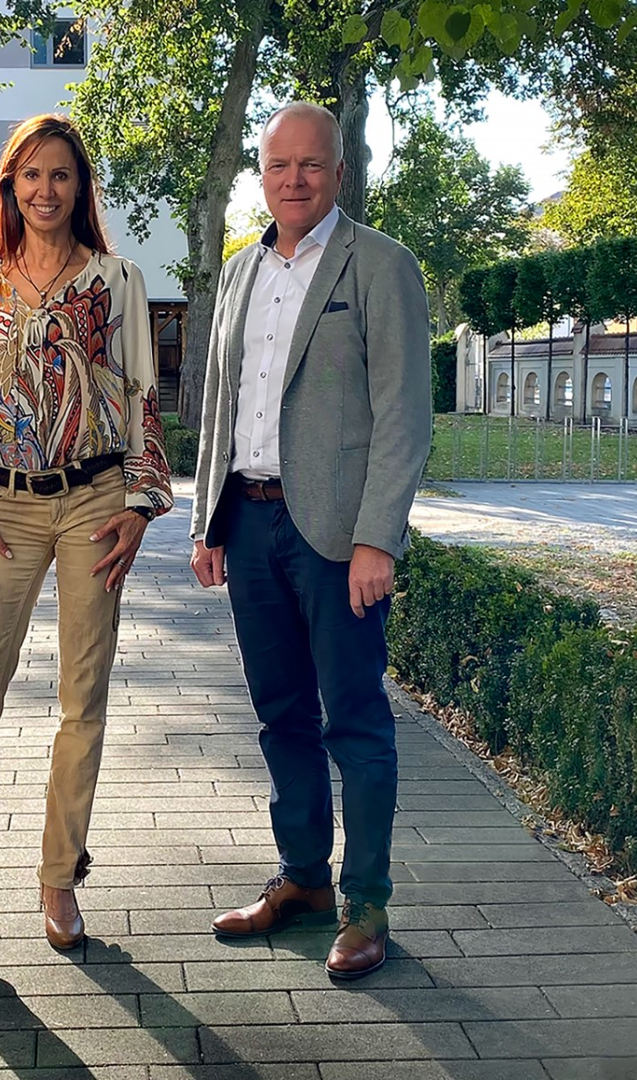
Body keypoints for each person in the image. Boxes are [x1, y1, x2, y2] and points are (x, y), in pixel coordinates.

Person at [0, 114, 174, 990]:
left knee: (81, 698)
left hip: (95, 502)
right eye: (31, 177)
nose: (46, 191)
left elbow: (141, 394)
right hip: (5, 514)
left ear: (79, 187)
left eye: (61, 176)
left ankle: (59, 880)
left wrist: (139, 505)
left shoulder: (118, 280)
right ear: (11, 187)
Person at [188, 102, 432, 980]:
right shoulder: (240, 272)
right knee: (280, 714)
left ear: (339, 170)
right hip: (249, 523)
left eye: (312, 165)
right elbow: (220, 406)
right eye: (279, 165)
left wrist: (379, 539)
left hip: (335, 534)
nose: (295, 179)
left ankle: (366, 903)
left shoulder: (382, 267)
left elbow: (405, 415)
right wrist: (208, 519)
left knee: (356, 721)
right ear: (262, 173)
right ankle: (303, 882)